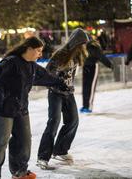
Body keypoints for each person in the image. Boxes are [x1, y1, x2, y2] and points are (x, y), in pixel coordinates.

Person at [0, 36, 68, 179]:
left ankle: (19, 172)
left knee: (24, 141)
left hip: (20, 107)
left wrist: (59, 82)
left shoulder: (32, 66)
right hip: (3, 107)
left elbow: (45, 77)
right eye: (38, 51)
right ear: (29, 49)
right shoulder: (11, 62)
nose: (40, 54)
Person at [36, 28, 89, 170]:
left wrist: (68, 84)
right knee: (54, 122)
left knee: (73, 120)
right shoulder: (60, 55)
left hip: (68, 93)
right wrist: (59, 81)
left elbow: (72, 74)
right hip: (55, 93)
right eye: (82, 43)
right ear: (76, 43)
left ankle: (60, 150)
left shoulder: (78, 56)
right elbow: (47, 73)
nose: (84, 46)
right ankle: (42, 157)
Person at [80, 35, 113, 113]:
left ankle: (88, 106)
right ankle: (85, 105)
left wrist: (109, 64)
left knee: (90, 87)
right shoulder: (83, 47)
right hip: (86, 67)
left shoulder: (94, 47)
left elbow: (101, 57)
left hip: (93, 67)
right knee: (85, 87)